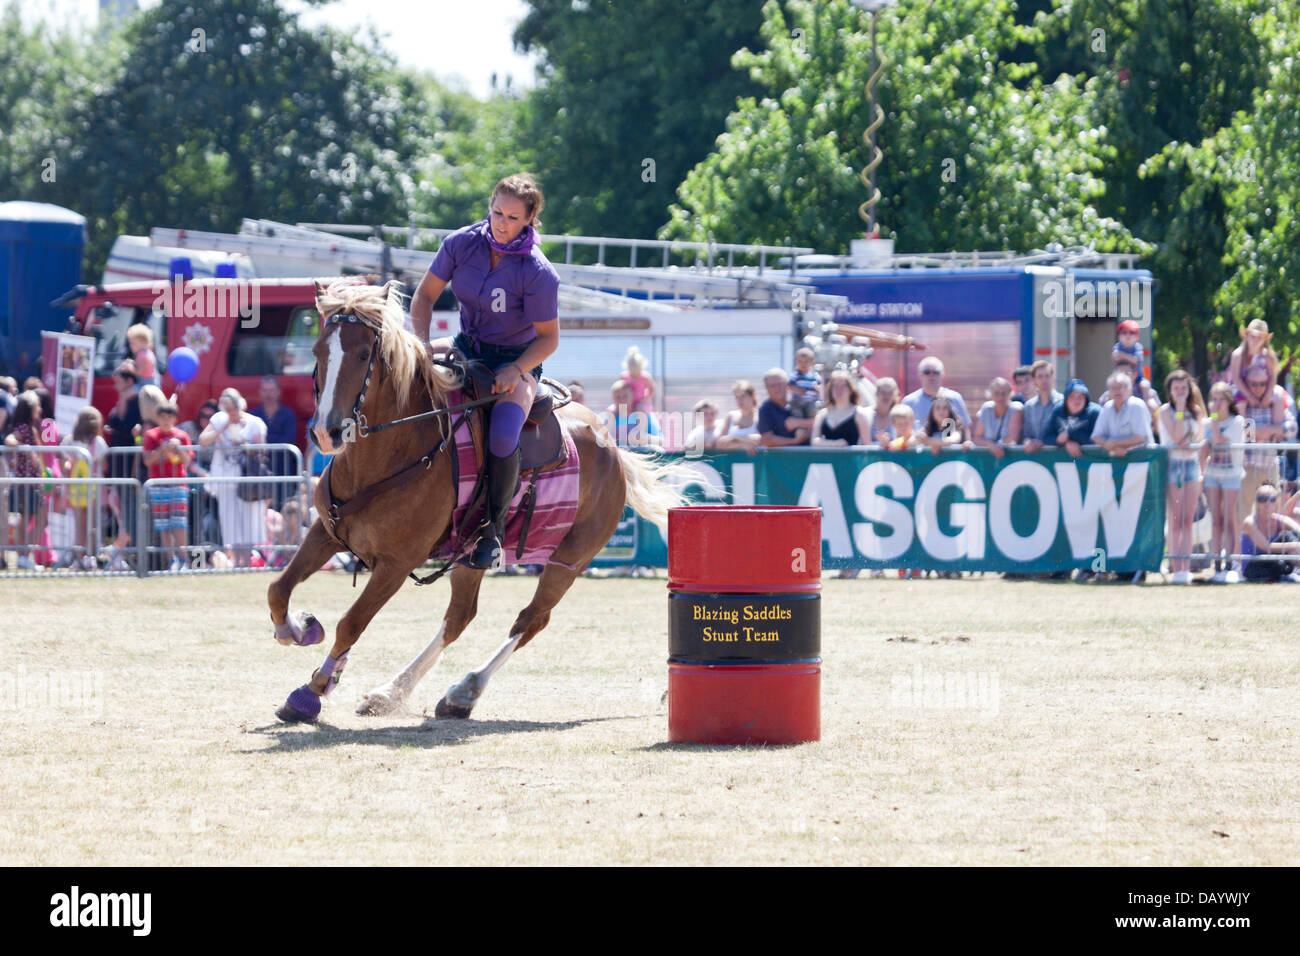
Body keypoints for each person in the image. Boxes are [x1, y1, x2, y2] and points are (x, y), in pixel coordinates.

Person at [409, 173, 560, 569]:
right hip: (464, 349)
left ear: (530, 219)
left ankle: (490, 532)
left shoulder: (538, 271)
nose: (502, 222)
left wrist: (516, 368)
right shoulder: (460, 243)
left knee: (504, 432)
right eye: (497, 212)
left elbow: (548, 339)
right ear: (489, 205)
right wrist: (423, 348)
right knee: (406, 386)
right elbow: (423, 297)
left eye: (513, 217)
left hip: (516, 362)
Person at [200, 387, 268, 568]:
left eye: (234, 408)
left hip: (248, 483)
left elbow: (262, 451)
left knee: (249, 523)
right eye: (228, 409)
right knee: (230, 524)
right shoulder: (218, 420)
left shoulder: (255, 422)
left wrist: (245, 445)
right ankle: (237, 563)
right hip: (226, 481)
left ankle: (245, 562)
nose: (232, 413)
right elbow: (203, 440)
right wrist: (222, 429)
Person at [1157, 370, 1206, 584]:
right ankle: (1176, 566)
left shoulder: (1196, 411)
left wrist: (1187, 442)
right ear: (1169, 390)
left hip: (1192, 466)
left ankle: (1186, 566)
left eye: (1183, 388)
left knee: (1187, 520)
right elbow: (1176, 436)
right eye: (1176, 388)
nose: (1180, 392)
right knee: (1175, 519)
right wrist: (1178, 411)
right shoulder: (1165, 411)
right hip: (1173, 466)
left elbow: (1199, 439)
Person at [1201, 382, 1246, 583]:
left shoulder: (1237, 422)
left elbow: (1218, 439)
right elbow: (1205, 447)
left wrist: (1214, 419)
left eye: (1221, 399)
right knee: (1216, 520)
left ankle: (1230, 563)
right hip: (1213, 474)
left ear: (1229, 401)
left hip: (1231, 475)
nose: (1217, 403)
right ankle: (1216, 563)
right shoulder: (1207, 423)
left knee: (1229, 519)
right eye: (1214, 398)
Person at [142, 400, 194, 571]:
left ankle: (183, 560)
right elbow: (148, 460)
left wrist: (179, 449)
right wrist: (161, 450)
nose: (166, 421)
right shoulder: (151, 435)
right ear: (157, 418)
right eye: (163, 417)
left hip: (178, 483)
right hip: (158, 484)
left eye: (169, 417)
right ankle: (170, 560)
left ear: (175, 418)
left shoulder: (182, 436)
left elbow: (187, 461)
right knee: (163, 525)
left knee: (179, 523)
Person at [62, 405, 108, 571]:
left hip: (75, 488)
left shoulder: (69, 440)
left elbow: (65, 461)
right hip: (93, 487)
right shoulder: (98, 442)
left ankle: (79, 557)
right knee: (92, 523)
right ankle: (90, 556)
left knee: (79, 524)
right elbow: (104, 463)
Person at [1239, 368, 1285, 523]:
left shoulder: (1276, 397)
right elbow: (1246, 434)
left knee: (1273, 511)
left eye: (1262, 384)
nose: (1258, 388)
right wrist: (1268, 431)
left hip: (1269, 464)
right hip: (1247, 466)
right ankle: (1243, 546)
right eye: (1254, 384)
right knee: (1243, 513)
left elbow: (1285, 430)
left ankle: (1271, 546)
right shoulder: (1240, 400)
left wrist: (1266, 431)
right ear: (1246, 383)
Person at [3, 391, 44, 569]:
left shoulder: (30, 427)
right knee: (34, 519)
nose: (40, 409)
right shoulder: (24, 428)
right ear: (30, 408)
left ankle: (23, 554)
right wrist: (22, 447)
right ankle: (23, 555)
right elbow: (9, 439)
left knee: (28, 520)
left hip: (30, 481)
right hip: (26, 483)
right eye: (37, 406)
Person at [249, 376, 299, 509]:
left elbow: (288, 440)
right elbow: (251, 440)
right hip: (260, 471)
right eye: (265, 390)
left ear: (278, 392)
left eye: (271, 390)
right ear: (260, 392)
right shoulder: (253, 415)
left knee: (284, 507)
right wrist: (274, 440)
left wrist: (264, 441)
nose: (268, 394)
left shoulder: (288, 414)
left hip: (284, 470)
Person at [1240, 483, 1300, 582]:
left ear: (1277, 501)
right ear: (1256, 502)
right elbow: (1266, 547)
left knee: (1292, 535)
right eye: (1262, 499)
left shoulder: (1278, 519)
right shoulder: (1249, 522)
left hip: (1274, 563)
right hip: (1253, 568)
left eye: (1271, 499)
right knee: (1290, 542)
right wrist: (1294, 546)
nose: (1267, 503)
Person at [1091, 371, 1154, 457]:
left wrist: (1114, 443)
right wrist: (1110, 447)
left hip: (1143, 459)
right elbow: (1096, 436)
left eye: (1121, 387)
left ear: (1130, 389)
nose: (1117, 391)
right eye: (1113, 388)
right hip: (1118, 460)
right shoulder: (1107, 407)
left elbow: (1141, 437)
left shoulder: (1137, 405)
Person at [903, 357, 970, 429]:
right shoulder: (909, 402)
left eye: (936, 372)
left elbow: (965, 428)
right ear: (920, 375)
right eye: (927, 372)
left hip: (949, 439)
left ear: (942, 374)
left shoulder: (955, 398)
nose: (931, 376)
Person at [811, 370, 870, 446]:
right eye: (835, 386)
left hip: (850, 457)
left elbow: (867, 446)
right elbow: (814, 441)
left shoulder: (859, 414)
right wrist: (835, 444)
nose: (839, 390)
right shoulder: (822, 414)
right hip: (826, 458)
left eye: (843, 386)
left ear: (851, 390)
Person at [1046, 378, 1101, 459]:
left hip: (1093, 460)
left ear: (1086, 398)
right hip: (1064, 463)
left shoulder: (1095, 412)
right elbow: (1046, 437)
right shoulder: (1058, 410)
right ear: (1066, 399)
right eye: (1072, 396)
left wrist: (1070, 435)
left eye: (1080, 396)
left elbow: (1098, 439)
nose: (1077, 400)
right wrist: (1064, 443)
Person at [757, 368, 813, 447]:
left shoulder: (799, 402)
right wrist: (795, 441)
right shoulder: (765, 409)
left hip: (806, 457)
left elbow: (818, 422)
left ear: (787, 385)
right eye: (772, 386)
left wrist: (797, 422)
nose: (777, 389)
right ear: (767, 388)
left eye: (780, 384)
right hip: (781, 458)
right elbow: (767, 439)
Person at [1227, 319, 1280, 400]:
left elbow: (1272, 377)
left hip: (1261, 390)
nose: (1255, 340)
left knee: (1278, 398)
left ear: (1264, 340)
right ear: (1247, 336)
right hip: (1240, 388)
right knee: (1241, 401)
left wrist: (1267, 396)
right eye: (1253, 336)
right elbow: (1236, 379)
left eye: (1260, 337)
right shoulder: (1238, 354)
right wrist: (1250, 397)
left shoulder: (1266, 355)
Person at [972, 377, 1023, 458]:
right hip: (987, 459)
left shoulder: (1016, 409)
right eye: (996, 393)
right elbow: (977, 438)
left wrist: (995, 446)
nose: (1000, 397)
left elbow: (1012, 440)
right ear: (991, 395)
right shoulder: (986, 408)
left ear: (1010, 394)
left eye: (1004, 393)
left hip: (1011, 458)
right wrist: (991, 446)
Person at [1021, 360, 1064, 451]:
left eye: (1047, 376)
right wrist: (1027, 442)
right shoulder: (1029, 406)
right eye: (1040, 377)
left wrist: (1044, 442)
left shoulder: (1063, 402)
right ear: (1034, 380)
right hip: (1036, 459)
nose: (1044, 380)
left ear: (1053, 377)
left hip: (1059, 456)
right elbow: (1026, 434)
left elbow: (1065, 433)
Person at [607, 380, 661, 447]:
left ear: (633, 396)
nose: (622, 400)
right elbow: (602, 440)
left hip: (644, 454)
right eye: (618, 397)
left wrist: (643, 438)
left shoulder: (645, 415)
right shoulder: (611, 417)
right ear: (613, 398)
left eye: (625, 396)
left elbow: (661, 441)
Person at [716, 380, 763, 453]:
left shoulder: (761, 415)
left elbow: (760, 440)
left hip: (755, 462)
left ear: (753, 396)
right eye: (736, 397)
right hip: (732, 462)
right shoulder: (730, 416)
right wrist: (743, 445)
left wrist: (733, 439)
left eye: (743, 396)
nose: (739, 400)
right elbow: (720, 443)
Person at [619, 346, 657, 416]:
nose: (634, 374)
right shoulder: (624, 377)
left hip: (641, 402)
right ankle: (622, 425)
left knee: (640, 410)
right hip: (627, 402)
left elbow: (652, 388)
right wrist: (622, 400)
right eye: (632, 372)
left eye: (637, 372)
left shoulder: (645, 377)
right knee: (621, 410)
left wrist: (647, 399)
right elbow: (618, 389)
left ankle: (641, 425)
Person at [788, 347, 823, 420]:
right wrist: (798, 391)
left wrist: (818, 388)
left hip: (811, 401)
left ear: (812, 363)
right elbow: (790, 385)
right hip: (798, 401)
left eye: (806, 362)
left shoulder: (814, 376)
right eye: (800, 361)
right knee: (796, 413)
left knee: (813, 412)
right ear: (796, 362)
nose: (803, 364)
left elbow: (820, 385)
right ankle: (799, 425)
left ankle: (810, 426)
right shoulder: (796, 375)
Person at [1112, 320, 1146, 388]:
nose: (1128, 335)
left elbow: (1136, 361)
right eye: (1124, 333)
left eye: (1132, 333)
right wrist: (1130, 357)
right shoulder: (1117, 346)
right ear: (1119, 336)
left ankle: (1147, 399)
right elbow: (1115, 357)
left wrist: (1122, 355)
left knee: (1145, 386)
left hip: (1137, 379)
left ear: (1137, 337)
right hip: (1120, 376)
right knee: (1112, 387)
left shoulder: (1138, 347)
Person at [867, 376, 899, 444]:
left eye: (890, 393)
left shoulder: (898, 415)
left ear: (894, 395)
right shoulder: (866, 414)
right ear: (876, 394)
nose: (886, 396)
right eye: (883, 392)